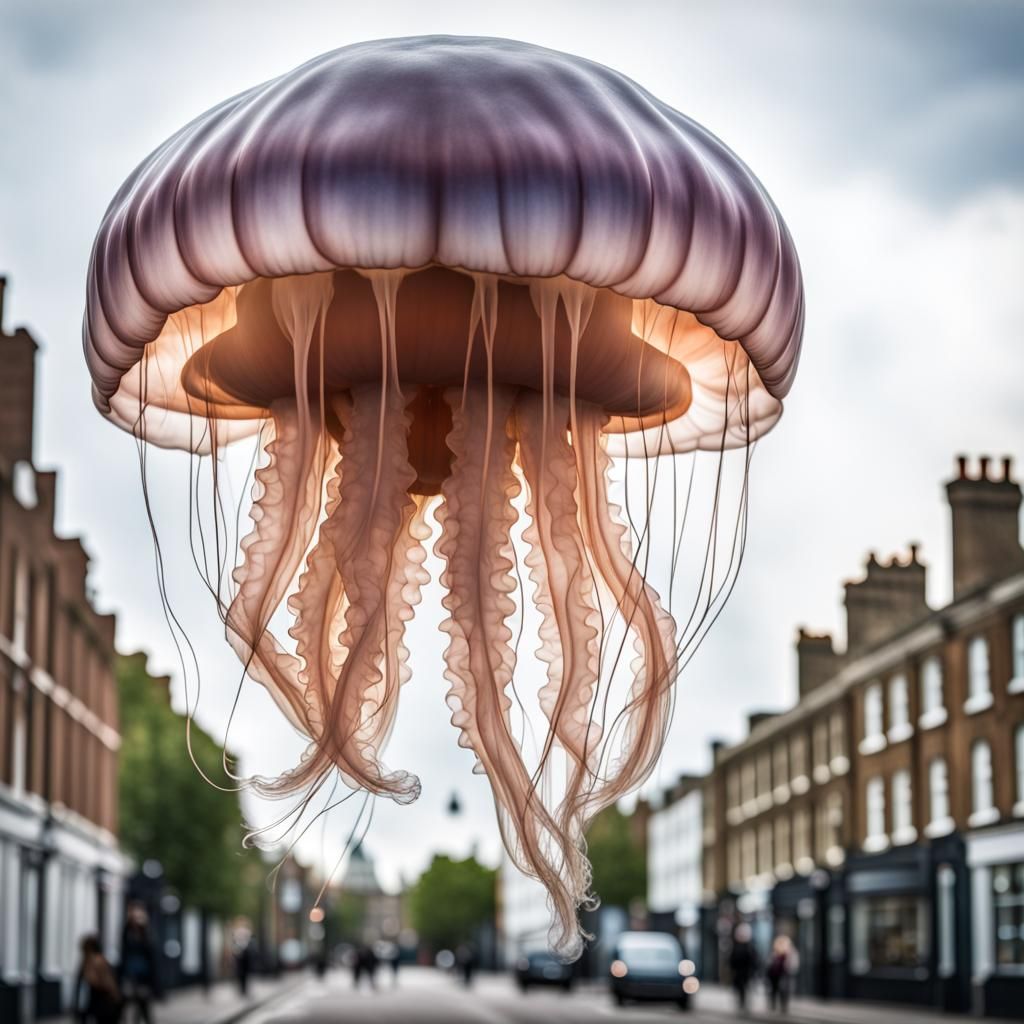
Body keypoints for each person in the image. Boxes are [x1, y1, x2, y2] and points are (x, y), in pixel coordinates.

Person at [120, 902, 157, 1024]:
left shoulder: (146, 933)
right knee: (127, 1003)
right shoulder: (127, 931)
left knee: (143, 1002)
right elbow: (124, 952)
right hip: (129, 972)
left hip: (143, 974)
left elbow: (151, 954)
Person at [75, 935, 121, 1024]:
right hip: (96, 1001)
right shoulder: (94, 961)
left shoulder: (94, 961)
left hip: (99, 1001)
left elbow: (101, 980)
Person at [767, 934, 800, 1013]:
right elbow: (769, 963)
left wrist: (789, 969)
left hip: (786, 975)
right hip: (775, 975)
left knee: (785, 990)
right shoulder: (775, 953)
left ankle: (784, 1006)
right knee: (774, 990)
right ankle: (773, 1005)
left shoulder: (791, 953)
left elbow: (794, 964)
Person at [729, 922, 758, 1013]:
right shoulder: (736, 946)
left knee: (745, 989)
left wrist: (753, 971)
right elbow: (732, 959)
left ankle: (744, 1004)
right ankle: (741, 1003)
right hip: (738, 973)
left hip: (746, 973)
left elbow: (754, 960)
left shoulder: (750, 947)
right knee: (739, 989)